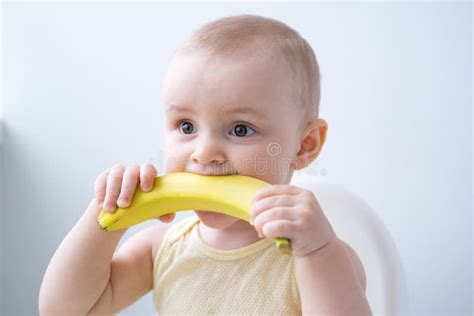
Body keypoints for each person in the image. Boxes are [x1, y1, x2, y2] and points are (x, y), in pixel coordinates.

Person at [39, 14, 372, 315]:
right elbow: (63, 310)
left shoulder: (322, 259)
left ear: (304, 144)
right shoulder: (160, 249)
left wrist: (318, 249)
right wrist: (103, 215)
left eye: (240, 129)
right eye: (187, 126)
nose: (203, 153)